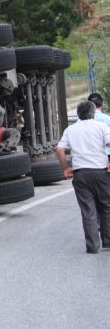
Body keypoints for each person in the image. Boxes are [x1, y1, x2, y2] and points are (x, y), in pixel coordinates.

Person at [57, 100, 110, 254]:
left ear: (78, 115)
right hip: (101, 173)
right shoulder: (101, 127)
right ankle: (108, 241)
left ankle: (92, 246)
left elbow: (60, 150)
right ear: (93, 113)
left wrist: (66, 168)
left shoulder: (70, 129)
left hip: (80, 174)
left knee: (88, 210)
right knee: (106, 206)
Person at [87, 93, 110, 162]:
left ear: (88, 105)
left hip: (89, 157)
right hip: (107, 155)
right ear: (102, 104)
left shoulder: (81, 120)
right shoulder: (108, 119)